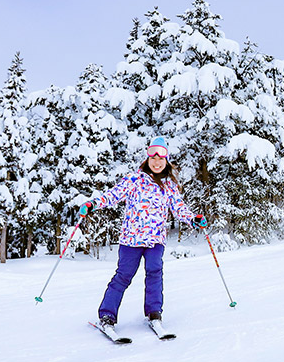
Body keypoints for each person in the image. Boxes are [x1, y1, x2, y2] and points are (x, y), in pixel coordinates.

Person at [81, 136, 207, 333]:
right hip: (131, 239)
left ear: (166, 161)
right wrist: (93, 204)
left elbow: (178, 207)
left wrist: (193, 218)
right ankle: (107, 316)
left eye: (161, 159)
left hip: (155, 240)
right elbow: (113, 195)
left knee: (155, 274)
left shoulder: (169, 186)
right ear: (148, 159)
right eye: (153, 158)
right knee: (123, 276)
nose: (157, 162)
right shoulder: (134, 180)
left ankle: (154, 313)